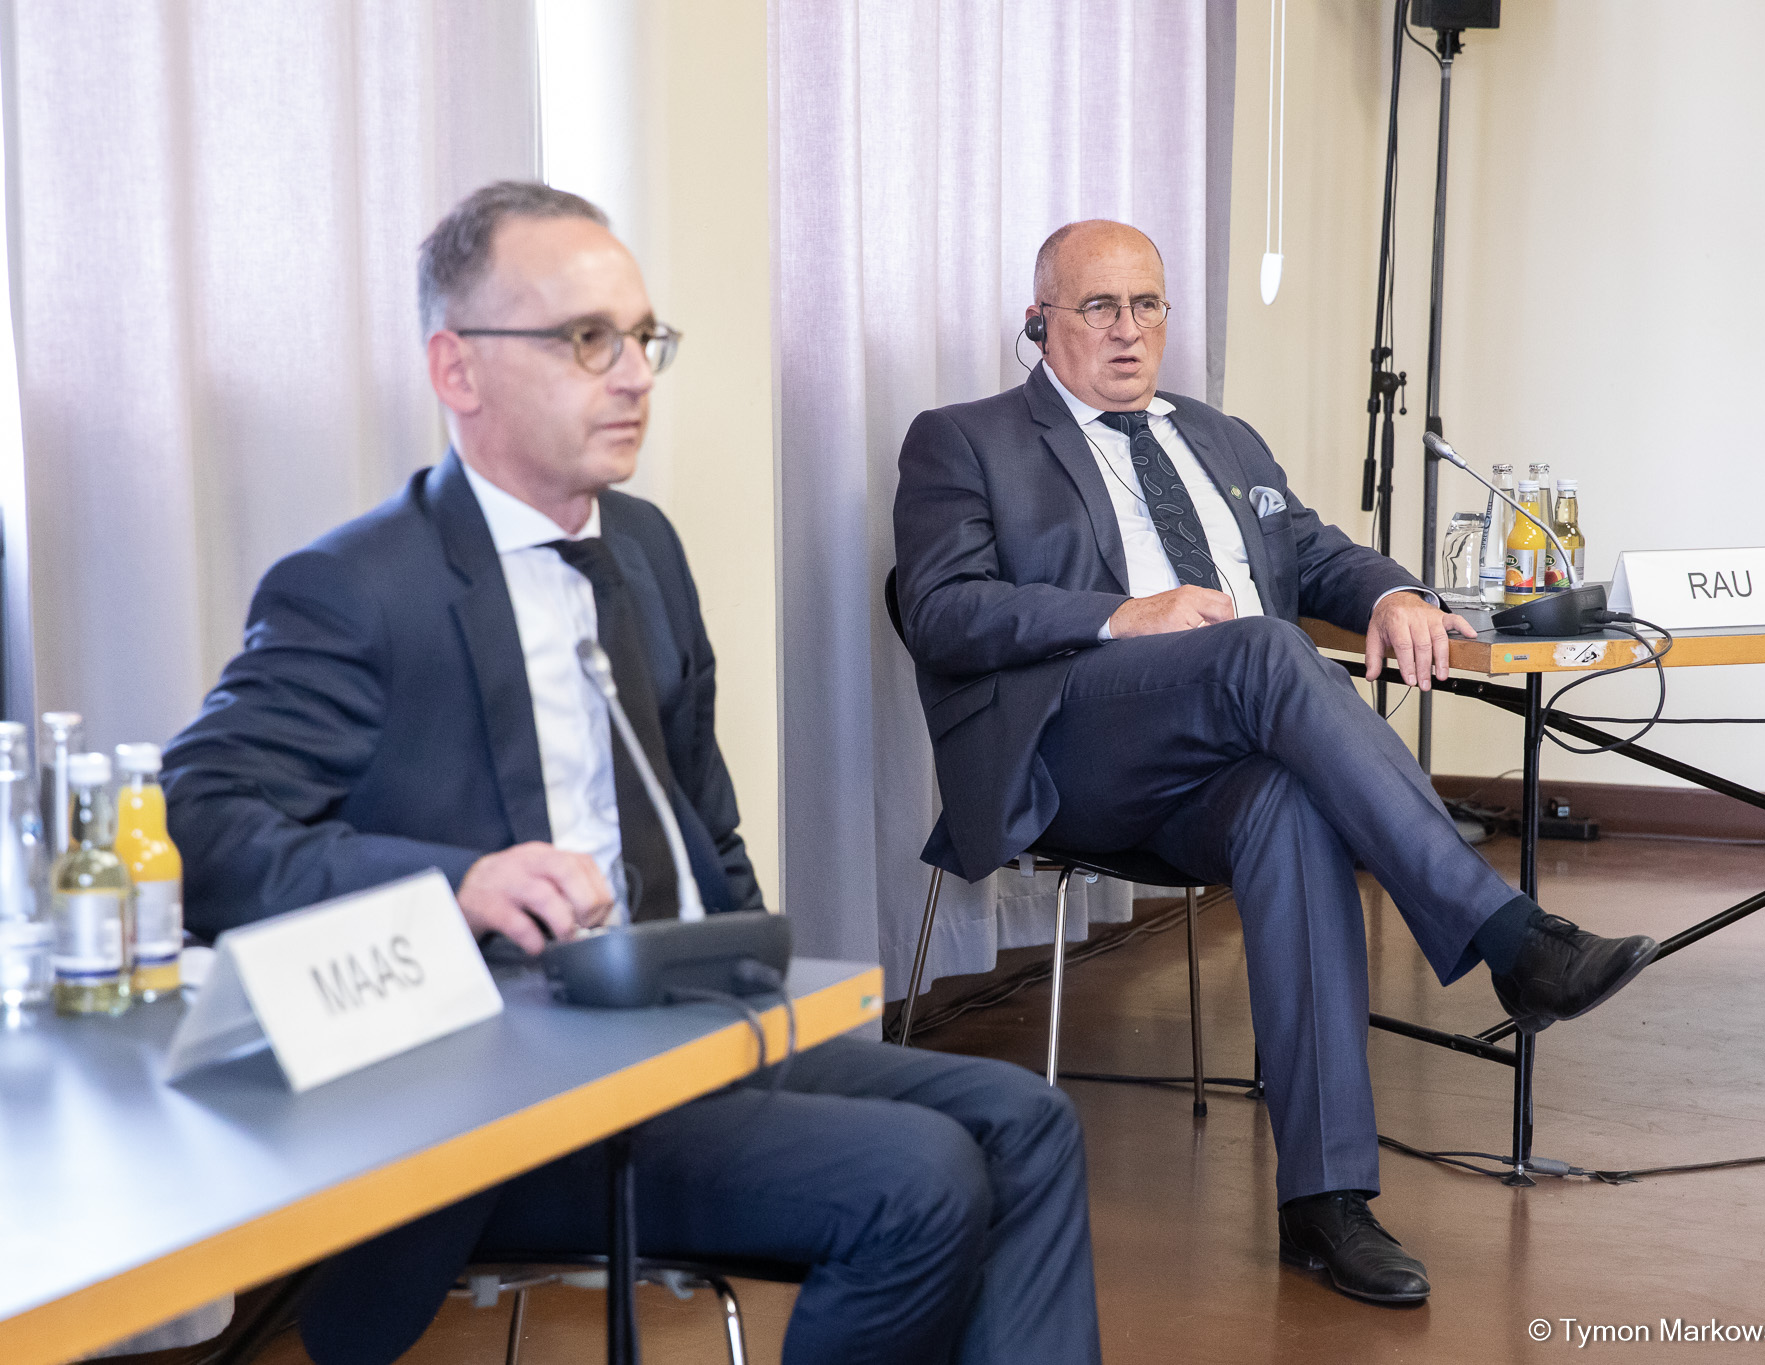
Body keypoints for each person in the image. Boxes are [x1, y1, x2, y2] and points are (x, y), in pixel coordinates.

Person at [163, 181, 1100, 1365]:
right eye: (583, 340)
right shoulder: (358, 588)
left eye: (641, 338)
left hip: (682, 1020)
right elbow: (197, 825)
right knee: (913, 1181)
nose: (631, 375)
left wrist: (751, 968)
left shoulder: (644, 546)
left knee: (1027, 1121)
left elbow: (702, 815)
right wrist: (456, 883)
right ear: (457, 369)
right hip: (499, 1091)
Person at [890, 219, 1658, 1307]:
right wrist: (1122, 614)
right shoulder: (964, 440)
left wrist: (1394, 592)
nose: (1127, 330)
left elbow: (1314, 554)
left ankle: (1324, 1202)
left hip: (1219, 765)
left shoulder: (1220, 437)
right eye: (1098, 307)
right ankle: (1508, 936)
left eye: (1146, 305)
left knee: (1288, 808)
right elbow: (941, 611)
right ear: (1038, 323)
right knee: (1263, 646)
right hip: (1074, 744)